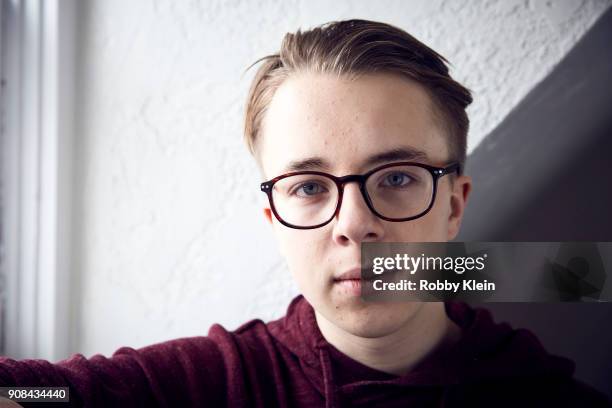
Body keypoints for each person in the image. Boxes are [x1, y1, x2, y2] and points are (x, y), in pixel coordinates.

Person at [0, 19, 609, 408]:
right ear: (273, 221)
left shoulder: (551, 396)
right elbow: (40, 393)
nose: (352, 224)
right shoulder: (217, 385)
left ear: (454, 206)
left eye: (396, 178)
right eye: (309, 187)